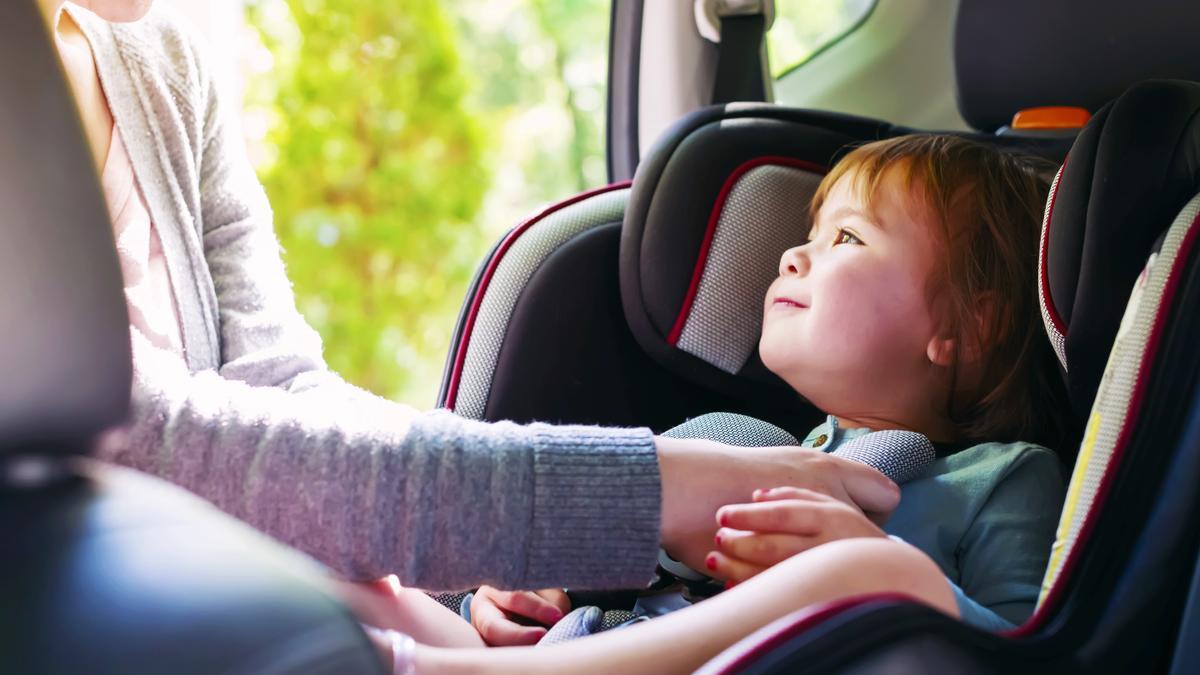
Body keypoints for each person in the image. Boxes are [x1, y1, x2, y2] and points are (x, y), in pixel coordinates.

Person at [41, 0, 897, 607]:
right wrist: (664, 489)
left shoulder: (163, 63)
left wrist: (482, 552)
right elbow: (147, 439)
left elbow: (279, 387)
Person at [351, 134, 1070, 671]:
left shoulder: (1003, 478)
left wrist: (869, 569)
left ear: (969, 327)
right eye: (807, 234)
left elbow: (1014, 653)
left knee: (879, 575)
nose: (794, 254)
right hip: (583, 647)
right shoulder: (731, 447)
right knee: (344, 575)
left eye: (846, 236)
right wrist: (507, 597)